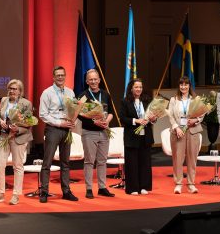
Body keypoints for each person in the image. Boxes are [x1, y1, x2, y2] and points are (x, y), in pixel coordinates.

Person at [0, 79, 33, 205]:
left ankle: (16, 195)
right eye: (10, 88)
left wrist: (17, 129)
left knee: (17, 166)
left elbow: (29, 123)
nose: (12, 91)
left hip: (18, 137)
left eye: (15, 89)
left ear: (20, 91)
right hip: (3, 136)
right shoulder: (4, 100)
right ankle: (0, 193)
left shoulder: (26, 103)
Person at [38, 66, 78, 203]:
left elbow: (73, 110)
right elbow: (42, 114)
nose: (60, 77)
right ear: (53, 77)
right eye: (58, 75)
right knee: (47, 161)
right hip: (53, 129)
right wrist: (59, 123)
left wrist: (72, 121)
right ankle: (44, 191)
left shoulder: (70, 92)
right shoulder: (47, 93)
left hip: (67, 129)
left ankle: (66, 191)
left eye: (62, 75)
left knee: (65, 162)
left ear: (65, 76)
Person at [78, 69, 115, 199]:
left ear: (99, 80)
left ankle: (102, 187)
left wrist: (106, 121)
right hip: (89, 132)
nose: (93, 81)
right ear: (87, 81)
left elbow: (111, 112)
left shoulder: (105, 94)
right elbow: (80, 115)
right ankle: (89, 189)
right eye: (91, 79)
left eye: (95, 79)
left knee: (102, 161)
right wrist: (94, 121)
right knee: (89, 161)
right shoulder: (83, 96)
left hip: (104, 131)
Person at [167, 76, 203, 194]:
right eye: (181, 84)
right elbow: (171, 116)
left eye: (186, 84)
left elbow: (202, 114)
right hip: (179, 132)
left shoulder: (196, 98)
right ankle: (178, 184)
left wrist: (195, 120)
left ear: (189, 86)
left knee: (192, 159)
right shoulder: (174, 99)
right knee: (178, 159)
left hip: (193, 131)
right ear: (179, 86)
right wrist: (176, 127)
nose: (183, 87)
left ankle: (191, 184)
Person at [120, 78, 154, 195]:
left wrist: (152, 119)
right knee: (132, 163)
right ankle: (133, 188)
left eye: (140, 87)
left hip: (145, 136)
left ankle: (144, 187)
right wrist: (136, 121)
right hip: (131, 136)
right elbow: (123, 119)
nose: (138, 89)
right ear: (131, 88)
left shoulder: (147, 100)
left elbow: (152, 117)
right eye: (136, 87)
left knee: (145, 162)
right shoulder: (125, 101)